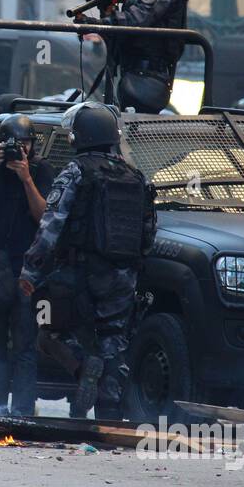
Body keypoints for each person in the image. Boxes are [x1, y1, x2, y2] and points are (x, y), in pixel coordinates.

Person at [20, 103, 156, 419]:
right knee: (114, 345)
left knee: (50, 330)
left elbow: (51, 225)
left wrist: (31, 270)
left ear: (78, 137)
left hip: (77, 272)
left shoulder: (76, 172)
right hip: (123, 276)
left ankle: (82, 366)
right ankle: (108, 417)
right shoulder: (136, 177)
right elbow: (148, 232)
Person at [0, 114, 55, 416]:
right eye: (14, 145)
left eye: (25, 145)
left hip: (27, 271)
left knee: (24, 346)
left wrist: (26, 178)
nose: (20, 150)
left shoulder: (41, 170)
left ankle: (22, 412)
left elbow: (44, 216)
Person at [80, 0, 188, 115]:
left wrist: (98, 24)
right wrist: (109, 12)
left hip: (148, 77)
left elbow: (135, 20)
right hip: (135, 73)